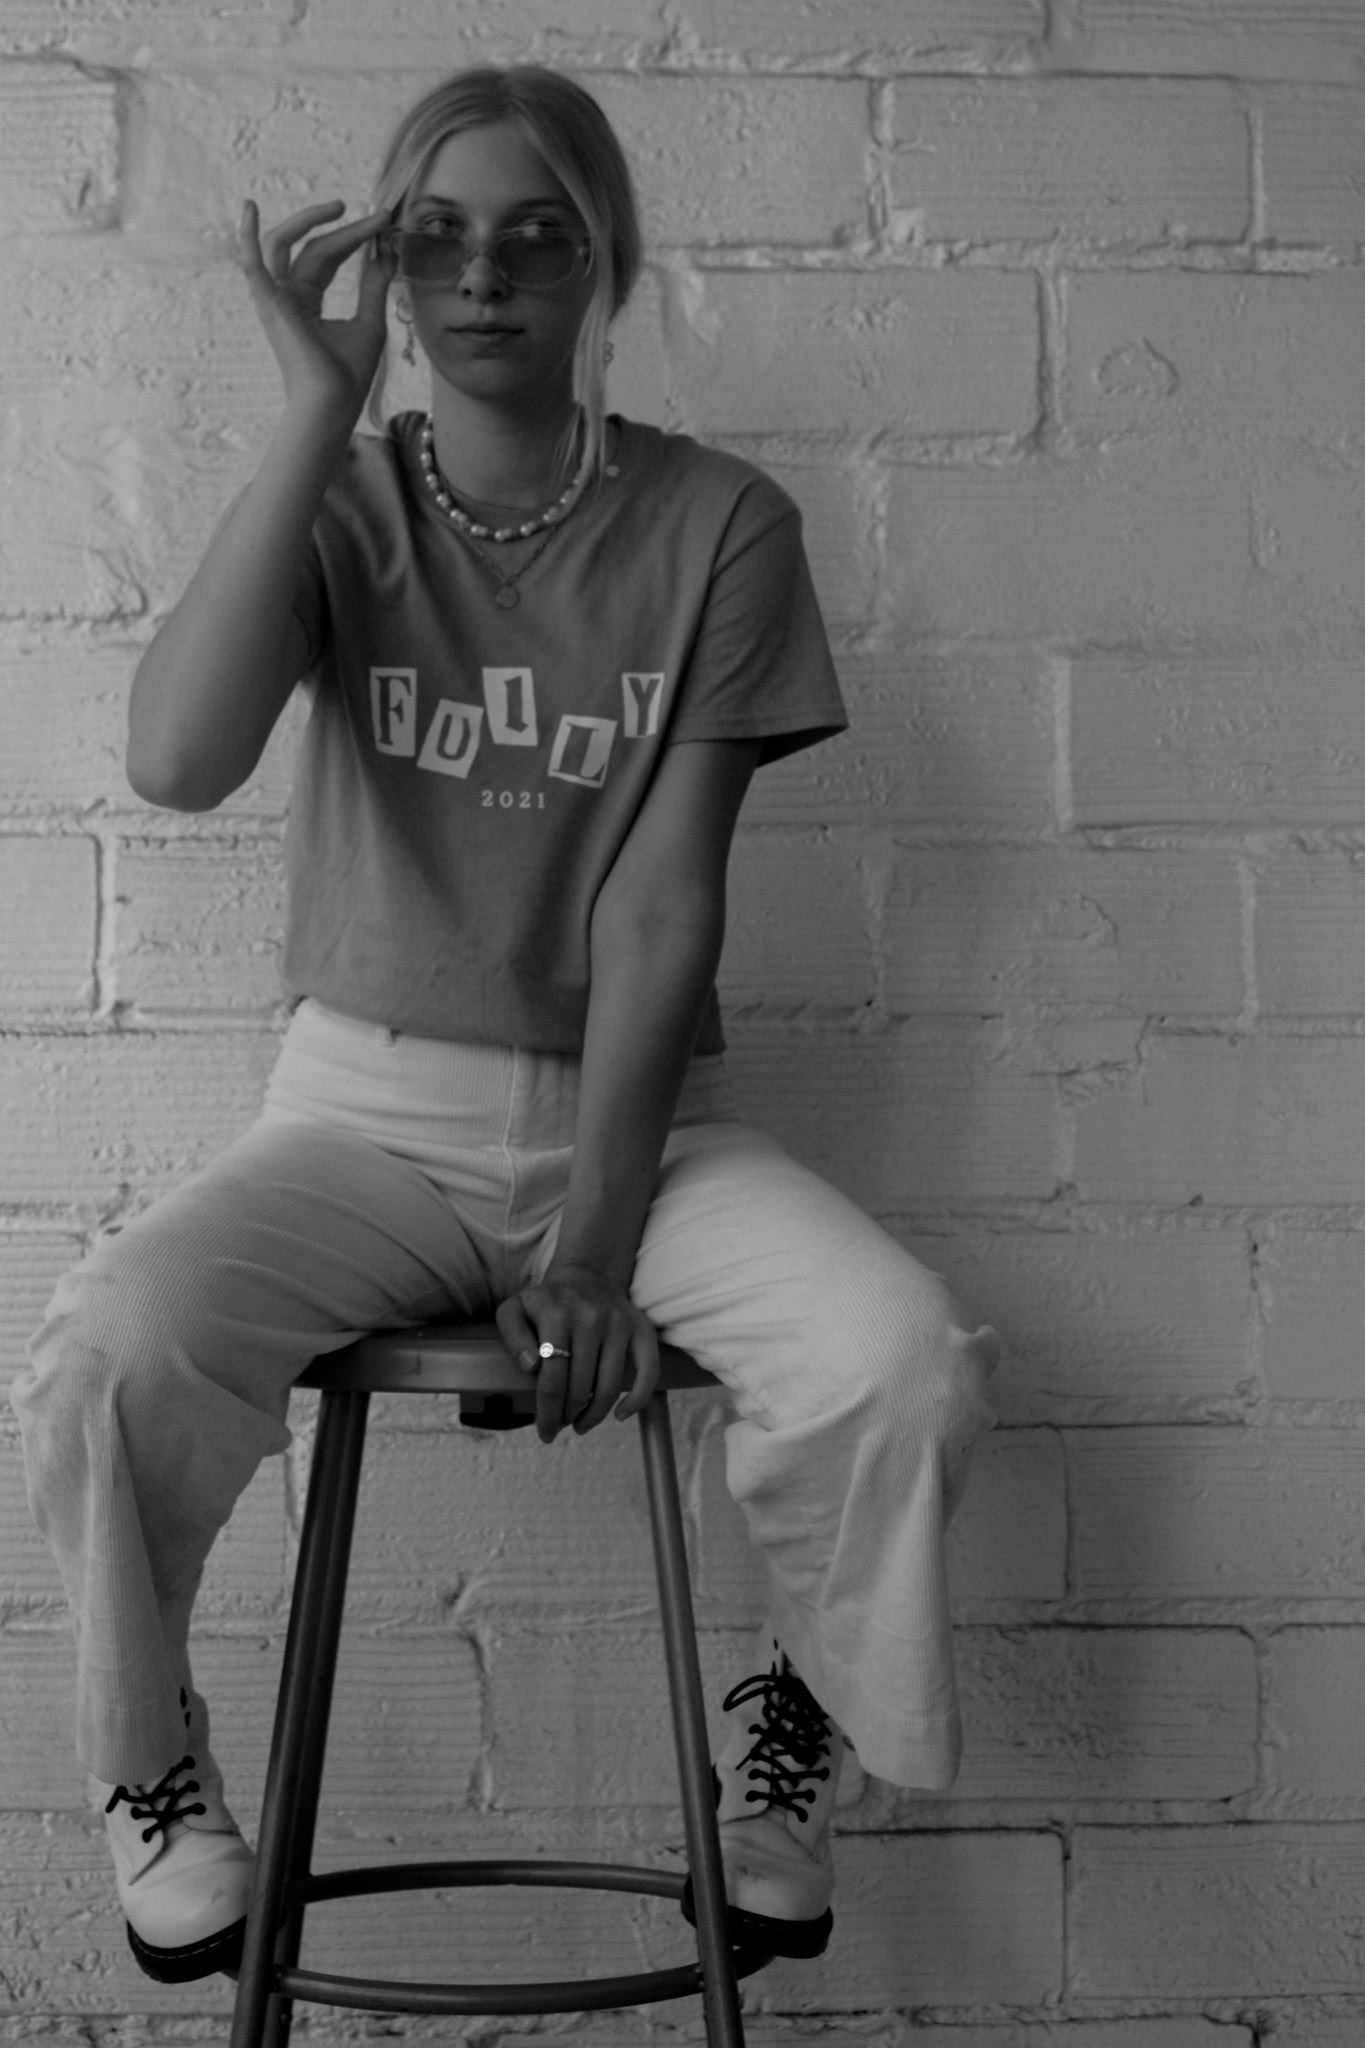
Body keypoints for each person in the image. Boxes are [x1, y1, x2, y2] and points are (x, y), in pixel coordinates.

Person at [9, 65, 997, 1986]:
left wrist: (599, 1244)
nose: (484, 277)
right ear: (389, 267)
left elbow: (660, 901)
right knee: (108, 1351)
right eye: (439, 237)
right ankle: (153, 1771)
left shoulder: (719, 523)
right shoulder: (346, 501)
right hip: (363, 1121)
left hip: (638, 1121)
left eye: (537, 236)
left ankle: (782, 1759)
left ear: (604, 265)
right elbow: (178, 758)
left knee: (902, 1359)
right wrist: (314, 408)